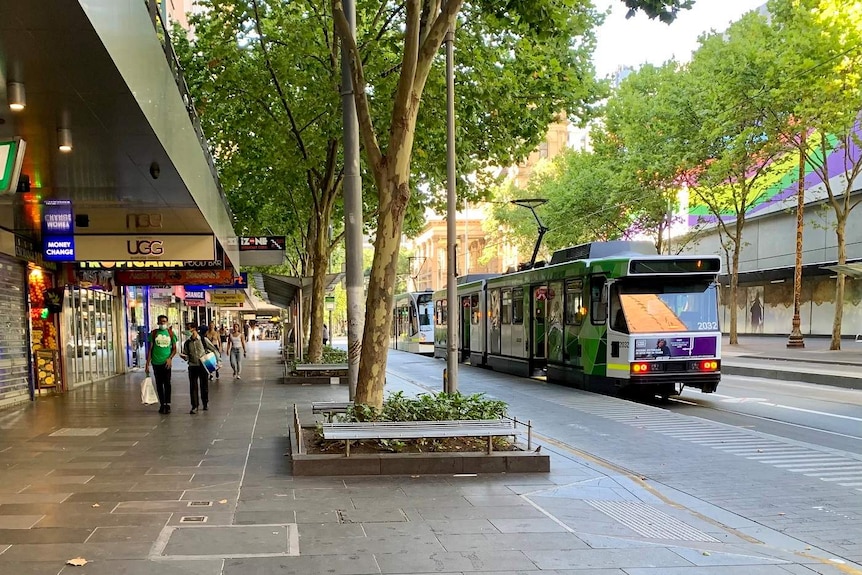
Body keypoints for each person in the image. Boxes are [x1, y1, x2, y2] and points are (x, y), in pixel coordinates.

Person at [179, 323, 218, 414]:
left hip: (203, 365)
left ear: (194, 329)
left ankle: (205, 403)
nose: (188, 331)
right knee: (193, 386)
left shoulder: (203, 340)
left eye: (189, 329)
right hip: (192, 366)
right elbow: (186, 354)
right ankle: (194, 406)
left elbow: (213, 349)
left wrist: (218, 362)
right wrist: (185, 357)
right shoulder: (187, 343)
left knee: (204, 385)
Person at [145, 315, 177, 414]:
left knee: (167, 383)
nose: (163, 323)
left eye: (164, 321)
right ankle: (162, 404)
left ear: (167, 322)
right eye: (161, 321)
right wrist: (147, 363)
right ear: (158, 322)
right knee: (159, 384)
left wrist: (170, 358)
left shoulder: (171, 333)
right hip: (156, 362)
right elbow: (150, 349)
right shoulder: (154, 333)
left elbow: (175, 349)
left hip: (166, 362)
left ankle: (168, 404)